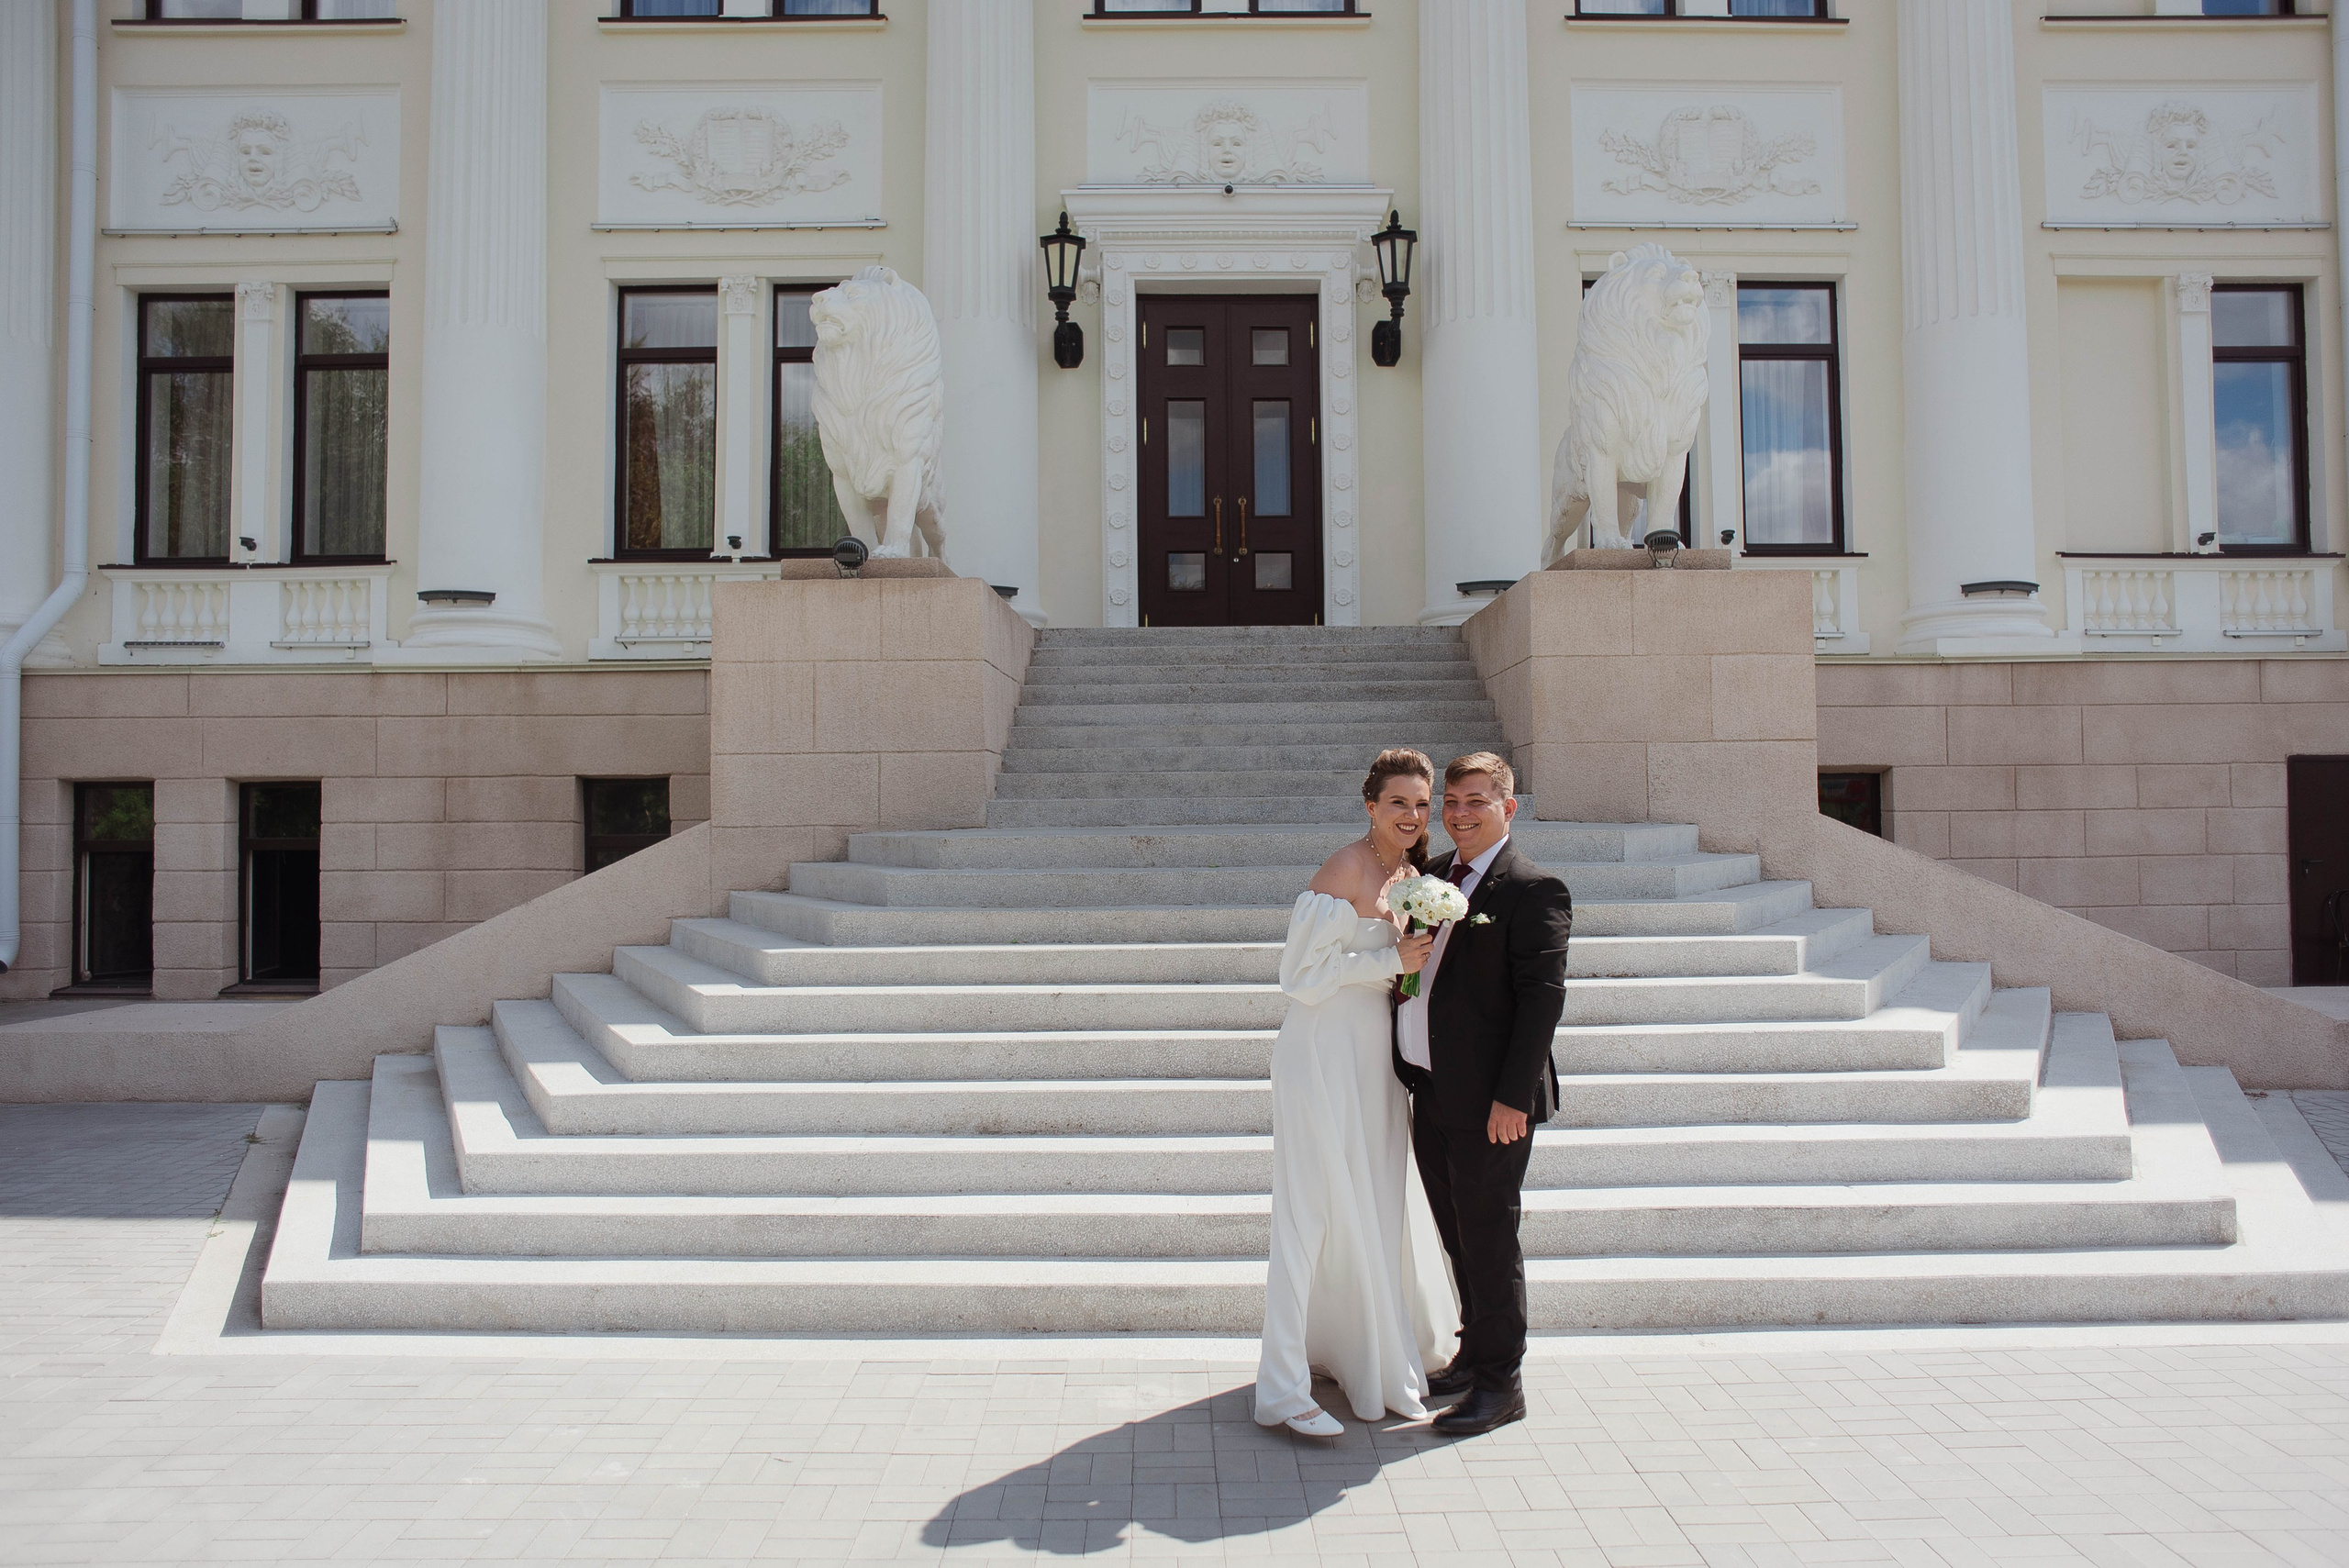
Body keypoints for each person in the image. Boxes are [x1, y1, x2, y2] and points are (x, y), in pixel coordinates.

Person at [1252, 749, 1461, 1437]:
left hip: (1375, 1057)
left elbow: (1395, 980)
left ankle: (1353, 1351)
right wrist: (1387, 959)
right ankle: (1279, 1390)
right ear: (1370, 804)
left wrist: (1406, 973)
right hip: (1320, 1049)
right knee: (1308, 1209)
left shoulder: (1410, 876)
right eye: (1398, 801)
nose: (1412, 815)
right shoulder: (1344, 868)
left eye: (1421, 804)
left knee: (1370, 1202)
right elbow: (1298, 974)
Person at [1392, 752, 1573, 1438]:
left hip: (1493, 1104)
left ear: (1508, 807)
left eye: (1476, 801)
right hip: (1431, 1089)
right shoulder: (1432, 877)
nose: (1460, 814)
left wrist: (1512, 1098)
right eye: (1452, 803)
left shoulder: (1533, 888)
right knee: (1457, 1233)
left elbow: (1541, 1002)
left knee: (1491, 1237)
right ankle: (1474, 1353)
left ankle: (1503, 1383)